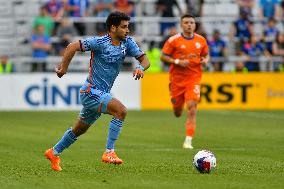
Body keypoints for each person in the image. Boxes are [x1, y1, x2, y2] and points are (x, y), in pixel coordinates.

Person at [44, 11, 150, 171]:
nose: (127, 30)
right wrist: (63, 69)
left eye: (128, 27)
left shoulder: (127, 42)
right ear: (113, 28)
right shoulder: (100, 42)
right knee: (121, 111)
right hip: (90, 91)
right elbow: (72, 46)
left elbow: (144, 59)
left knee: (79, 130)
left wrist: (141, 67)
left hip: (101, 93)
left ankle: (54, 152)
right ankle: (109, 152)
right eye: (124, 27)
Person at [160, 14, 209, 149]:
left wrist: (205, 60)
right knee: (177, 112)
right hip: (176, 80)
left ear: (195, 25)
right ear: (181, 25)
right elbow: (163, 56)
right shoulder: (173, 40)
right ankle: (176, 105)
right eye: (186, 22)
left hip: (194, 79)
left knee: (192, 107)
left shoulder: (201, 40)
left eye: (192, 23)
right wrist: (177, 61)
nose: (189, 25)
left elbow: (205, 55)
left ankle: (188, 141)